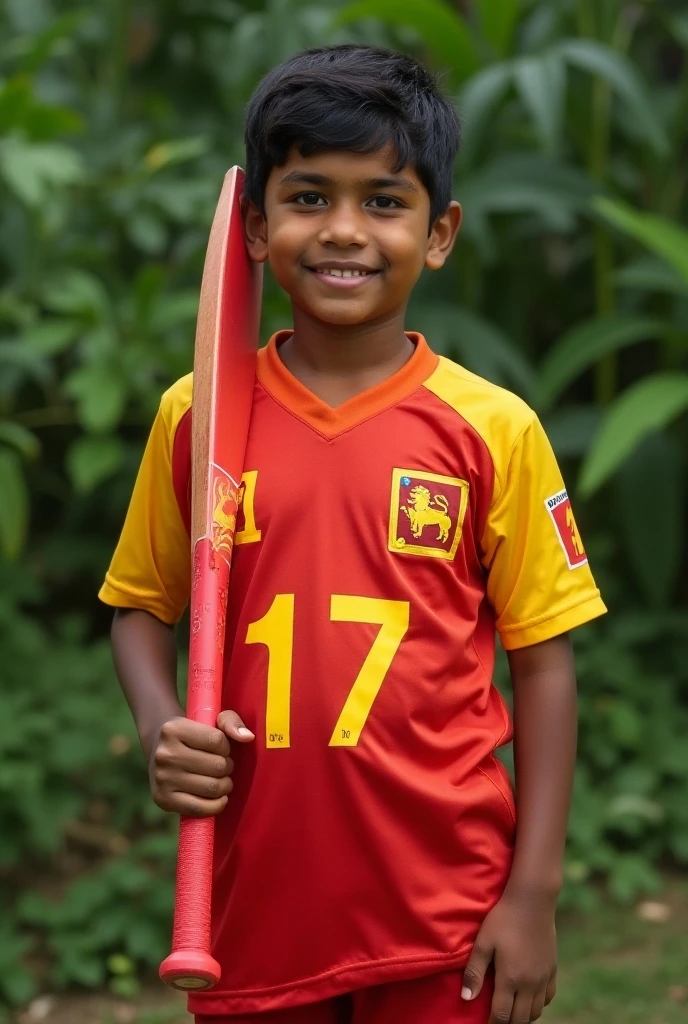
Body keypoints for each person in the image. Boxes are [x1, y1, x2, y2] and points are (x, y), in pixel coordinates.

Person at [99, 44, 606, 1024]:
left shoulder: (491, 428)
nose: (343, 230)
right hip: (249, 907)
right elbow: (136, 610)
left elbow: (544, 664)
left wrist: (532, 892)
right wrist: (161, 721)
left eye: (383, 200)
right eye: (307, 197)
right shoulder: (200, 413)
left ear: (440, 230)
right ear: (253, 227)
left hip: (442, 910)